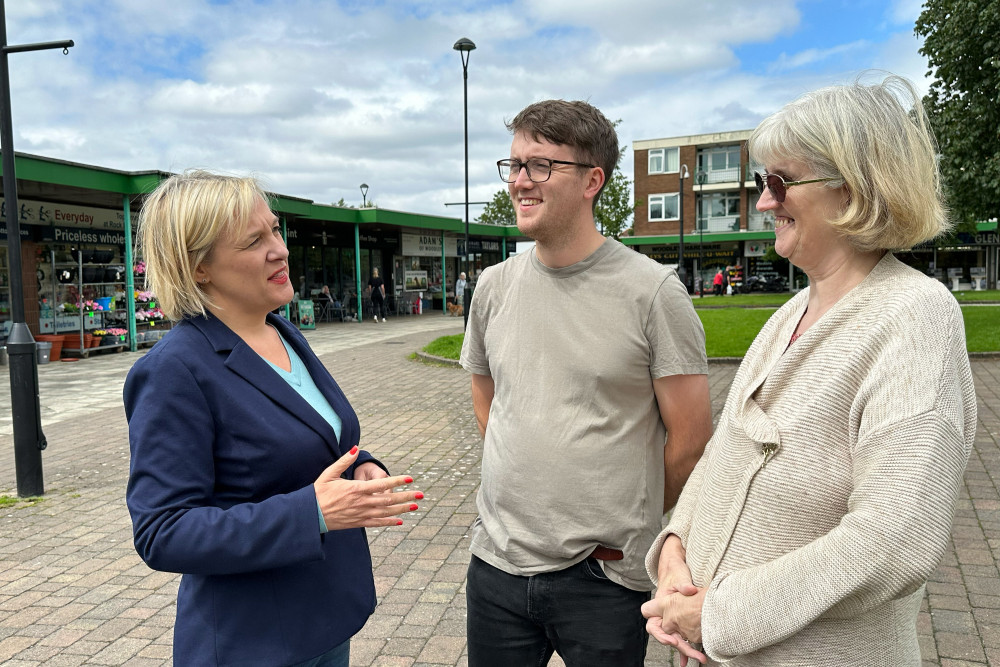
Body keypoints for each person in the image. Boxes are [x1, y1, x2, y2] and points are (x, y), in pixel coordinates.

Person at [641, 75, 977, 666]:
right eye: (759, 182)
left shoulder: (916, 315)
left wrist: (716, 614)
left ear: (850, 190)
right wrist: (674, 551)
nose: (764, 201)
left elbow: (895, 537)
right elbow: (725, 455)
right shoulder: (794, 310)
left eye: (779, 182)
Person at [124, 171, 422, 667]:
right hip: (256, 642)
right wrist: (314, 513)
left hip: (326, 619)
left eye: (275, 230)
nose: (280, 249)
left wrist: (360, 464)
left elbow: (305, 437)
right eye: (254, 240)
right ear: (199, 267)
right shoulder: (174, 370)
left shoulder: (281, 333)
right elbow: (163, 530)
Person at [460, 100, 713, 666]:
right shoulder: (494, 287)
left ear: (592, 180)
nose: (519, 181)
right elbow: (486, 398)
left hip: (602, 576)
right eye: (514, 164)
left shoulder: (652, 294)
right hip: (497, 566)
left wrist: (628, 511)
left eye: (540, 166)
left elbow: (692, 438)